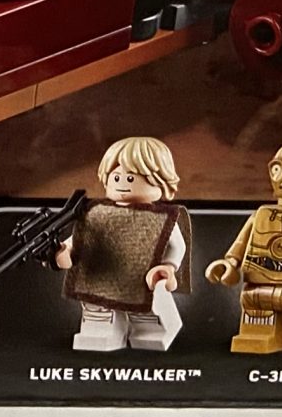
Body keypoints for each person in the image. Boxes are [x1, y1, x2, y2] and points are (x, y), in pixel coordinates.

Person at [53, 136, 192, 353]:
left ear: (161, 181)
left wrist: (168, 267)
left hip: (142, 276)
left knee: (146, 312)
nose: (122, 184)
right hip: (100, 277)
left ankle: (150, 333)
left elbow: (177, 246)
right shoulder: (96, 213)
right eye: (116, 177)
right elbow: (79, 240)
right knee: (97, 311)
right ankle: (100, 332)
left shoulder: (161, 218)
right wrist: (64, 252)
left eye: (131, 178)